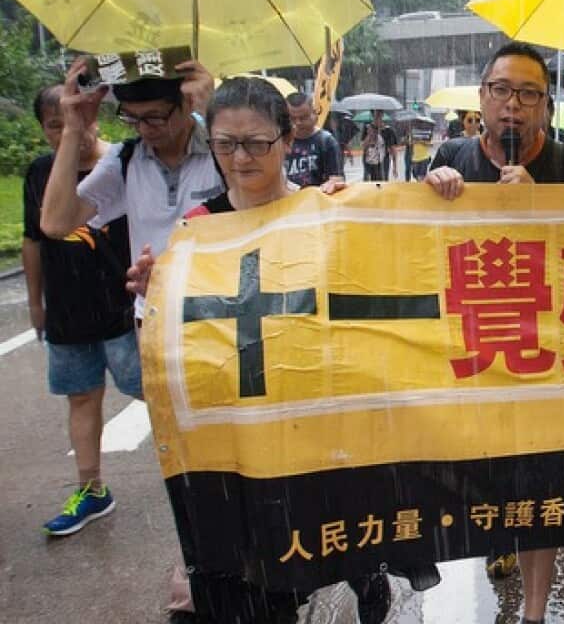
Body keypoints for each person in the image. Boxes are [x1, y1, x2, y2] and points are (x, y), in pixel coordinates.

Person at [128, 77, 406, 624]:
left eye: (256, 142)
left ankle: (363, 570)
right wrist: (157, 292)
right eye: (226, 144)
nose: (240, 157)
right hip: (244, 421)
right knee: (258, 573)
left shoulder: (323, 212)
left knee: (334, 523)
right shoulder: (197, 232)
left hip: (317, 409)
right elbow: (170, 350)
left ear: (286, 141)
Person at [424, 42, 564, 624]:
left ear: (546, 106)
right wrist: (437, 186)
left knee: (538, 480)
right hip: (475, 348)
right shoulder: (449, 155)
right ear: (482, 99)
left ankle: (535, 609)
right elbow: (414, 243)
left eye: (528, 94)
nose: (513, 106)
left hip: (545, 351)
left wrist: (542, 207)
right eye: (502, 91)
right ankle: (498, 534)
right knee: (488, 473)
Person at [23, 84, 140, 537]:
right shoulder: (40, 173)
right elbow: (35, 239)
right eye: (55, 126)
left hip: (123, 308)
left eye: (79, 120)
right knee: (82, 397)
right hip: (69, 314)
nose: (70, 131)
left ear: (95, 115)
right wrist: (37, 303)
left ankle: (202, 481)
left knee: (155, 391)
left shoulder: (124, 163)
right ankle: (92, 490)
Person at [40, 57, 223, 323]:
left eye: (156, 117)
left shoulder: (224, 153)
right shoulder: (124, 161)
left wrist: (216, 115)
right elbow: (56, 224)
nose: (144, 128)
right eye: (132, 117)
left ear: (189, 102)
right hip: (155, 317)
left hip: (223, 313)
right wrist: (73, 130)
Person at [284, 93, 344, 187]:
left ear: (314, 115)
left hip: (318, 199)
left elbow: (336, 178)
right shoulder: (279, 142)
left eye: (303, 118)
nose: (297, 123)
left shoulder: (326, 142)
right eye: (292, 119)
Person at [360, 110, 396, 182]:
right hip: (369, 162)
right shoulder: (367, 128)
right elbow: (363, 146)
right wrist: (369, 134)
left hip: (383, 162)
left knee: (383, 183)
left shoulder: (388, 130)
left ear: (382, 114)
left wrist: (395, 167)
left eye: (380, 113)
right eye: (376, 114)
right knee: (369, 185)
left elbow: (392, 149)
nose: (378, 116)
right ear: (372, 115)